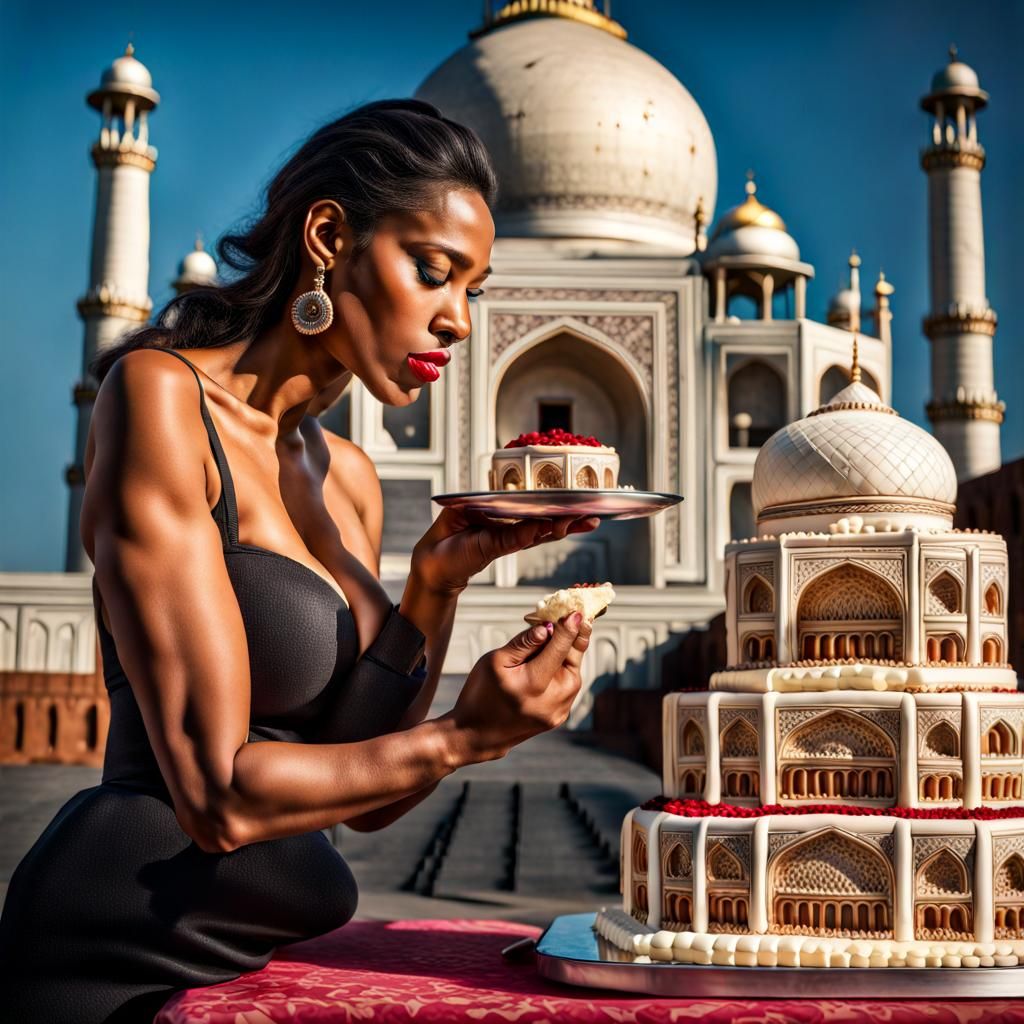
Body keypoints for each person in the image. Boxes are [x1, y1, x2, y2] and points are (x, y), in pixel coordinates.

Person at [0, 98, 599, 1023]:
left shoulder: (347, 476)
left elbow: (365, 798)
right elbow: (217, 799)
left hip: (247, 957)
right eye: (432, 271)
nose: (457, 322)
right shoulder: (163, 400)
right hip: (115, 957)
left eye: (472, 291)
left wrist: (436, 585)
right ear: (328, 237)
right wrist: (465, 736)